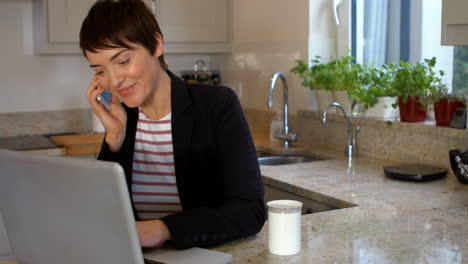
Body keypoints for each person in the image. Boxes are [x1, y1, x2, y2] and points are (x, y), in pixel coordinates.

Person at [79, 0, 265, 250]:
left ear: (156, 44)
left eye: (122, 61)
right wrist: (114, 140)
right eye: (100, 70)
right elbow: (102, 217)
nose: (114, 81)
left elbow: (250, 210)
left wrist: (163, 228)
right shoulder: (123, 118)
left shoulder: (216, 105)